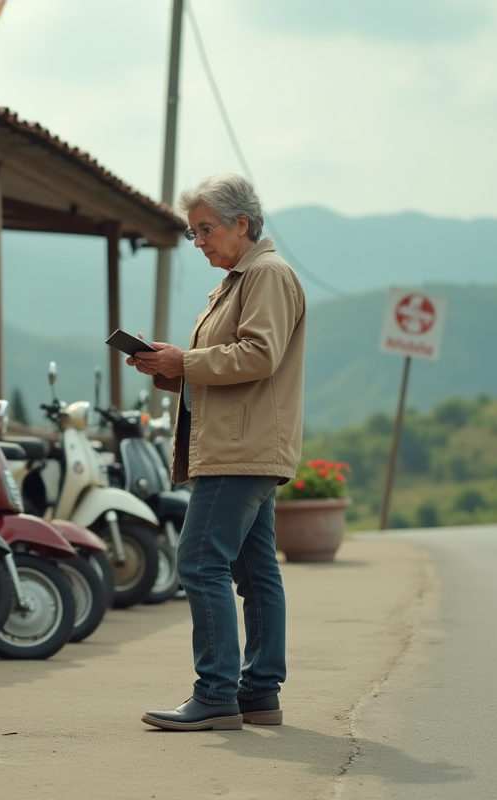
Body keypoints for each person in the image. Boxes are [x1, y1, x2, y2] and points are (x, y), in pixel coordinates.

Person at [129, 174, 306, 732]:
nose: (199, 241)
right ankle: (257, 692)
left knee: (200, 563)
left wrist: (186, 362)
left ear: (242, 224)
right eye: (192, 232)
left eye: (205, 229)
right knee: (254, 573)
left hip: (239, 448)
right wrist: (170, 367)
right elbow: (227, 362)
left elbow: (258, 355)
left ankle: (216, 693)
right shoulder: (241, 279)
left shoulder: (266, 276)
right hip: (244, 444)